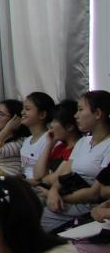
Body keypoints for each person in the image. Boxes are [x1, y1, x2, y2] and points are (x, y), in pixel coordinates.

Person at [42, 90, 110, 231]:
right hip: (68, 195)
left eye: (80, 110)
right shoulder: (83, 142)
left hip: (85, 204)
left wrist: (58, 196)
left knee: (36, 216)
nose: (75, 115)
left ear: (98, 113)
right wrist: (53, 191)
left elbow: (95, 193)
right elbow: (64, 175)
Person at [31, 99, 81, 186]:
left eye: (55, 121)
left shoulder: (78, 148)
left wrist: (43, 179)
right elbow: (37, 175)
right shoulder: (59, 147)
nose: (51, 125)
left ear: (69, 126)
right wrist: (49, 145)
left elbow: (53, 178)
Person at [0, 99, 29, 177]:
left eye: (0, 114)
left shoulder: (20, 142)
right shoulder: (2, 140)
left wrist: (7, 129)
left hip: (7, 179)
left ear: (15, 119)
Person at [18, 92, 56, 181]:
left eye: (27, 109)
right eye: (23, 108)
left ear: (42, 114)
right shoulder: (27, 140)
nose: (22, 112)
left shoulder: (49, 139)